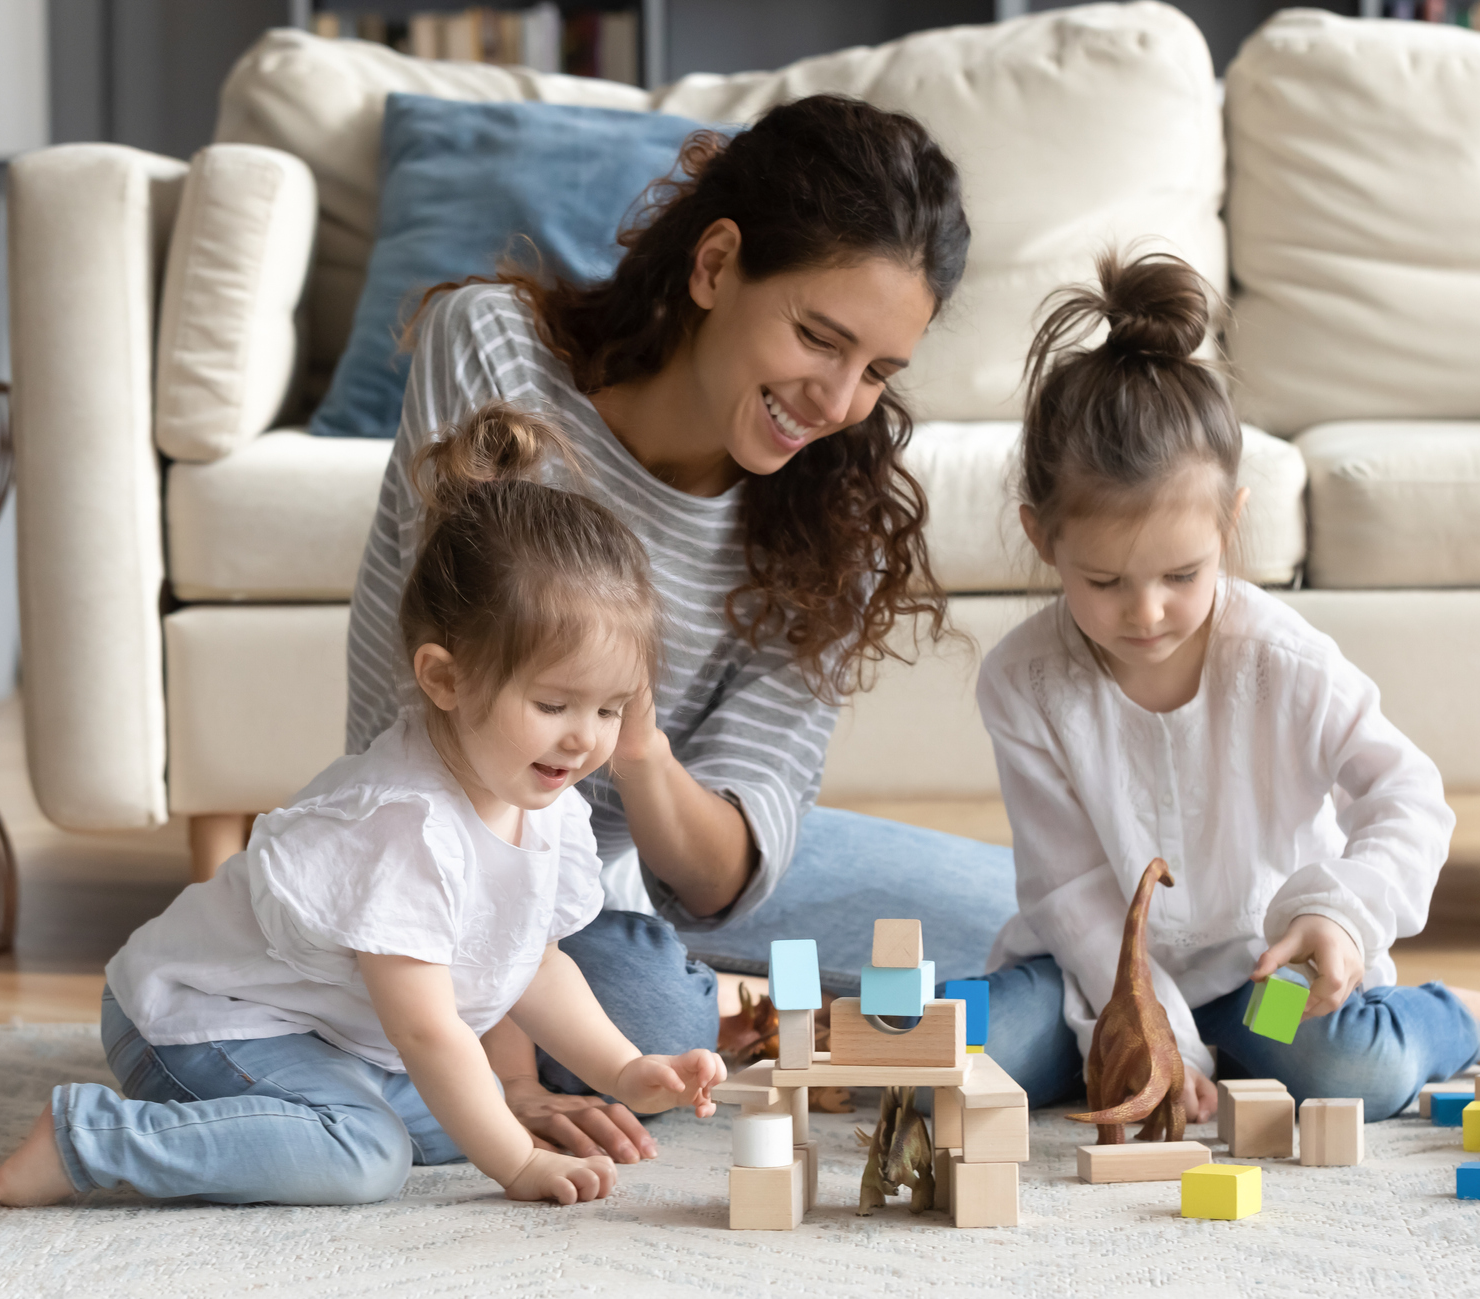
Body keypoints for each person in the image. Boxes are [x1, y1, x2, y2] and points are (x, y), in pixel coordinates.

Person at [343, 94, 1027, 1158]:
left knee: (1047, 917)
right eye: (816, 336)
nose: (838, 400)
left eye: (877, 371)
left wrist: (644, 747)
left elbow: (716, 880)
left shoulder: (831, 519)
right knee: (651, 1021)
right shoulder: (494, 356)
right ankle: (691, 1014)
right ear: (714, 266)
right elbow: (466, 726)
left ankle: (1262, 1013)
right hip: (450, 855)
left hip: (646, 871)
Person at [0, 406, 725, 1208]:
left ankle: (276, 1120)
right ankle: (90, 1138)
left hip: (328, 1037)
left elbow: (529, 961)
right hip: (202, 1017)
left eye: (610, 710)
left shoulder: (537, 795)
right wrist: (517, 1166)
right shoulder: (403, 827)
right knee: (366, 1156)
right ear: (443, 678)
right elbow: (428, 1031)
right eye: (553, 704)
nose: (583, 740)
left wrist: (620, 1066)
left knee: (459, 1116)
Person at [972, 251, 1480, 1119]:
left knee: (1350, 1072)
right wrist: (1156, 1034)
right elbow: (1071, 894)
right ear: (1041, 540)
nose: (1148, 612)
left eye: (1181, 574)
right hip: (1100, 987)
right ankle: (1198, 1052)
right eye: (1104, 582)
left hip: (1255, 974)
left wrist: (1341, 917)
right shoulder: (1024, 683)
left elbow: (1407, 794)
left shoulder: (1282, 661)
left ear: (1231, 522)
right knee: (974, 1056)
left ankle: (1456, 1018)